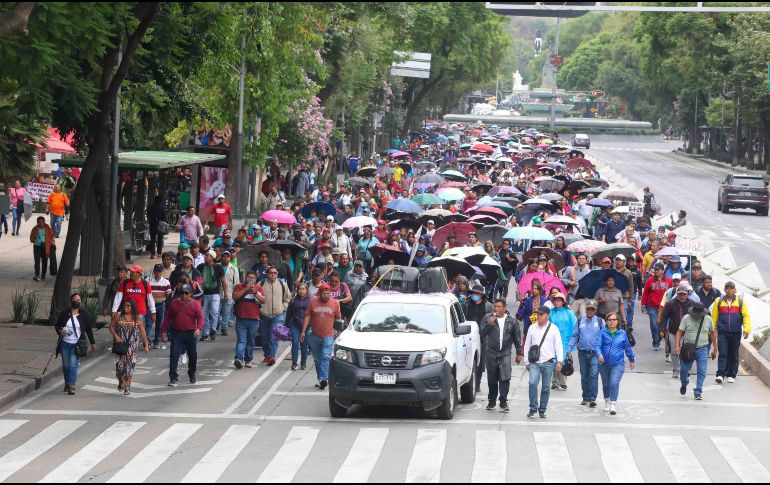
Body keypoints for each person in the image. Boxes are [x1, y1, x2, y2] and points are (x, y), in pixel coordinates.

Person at [480, 298, 523, 412]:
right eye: (495, 306)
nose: (496, 309)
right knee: (492, 378)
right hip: (491, 352)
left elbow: (517, 337)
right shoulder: (487, 318)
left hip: (505, 353)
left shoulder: (512, 320)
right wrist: (489, 324)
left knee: (505, 377)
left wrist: (519, 353)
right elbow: (481, 333)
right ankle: (491, 401)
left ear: (504, 308)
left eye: (499, 307)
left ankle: (503, 401)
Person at [524, 306, 563, 418]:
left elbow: (558, 346)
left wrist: (559, 361)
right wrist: (527, 361)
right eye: (538, 314)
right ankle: (533, 407)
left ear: (547, 315)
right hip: (535, 362)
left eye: (542, 314)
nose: (539, 316)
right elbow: (527, 345)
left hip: (548, 362)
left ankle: (542, 409)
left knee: (546, 387)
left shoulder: (554, 328)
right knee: (532, 383)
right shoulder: (532, 327)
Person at [161, 284, 203, 386]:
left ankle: (192, 373)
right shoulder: (174, 303)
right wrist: (163, 331)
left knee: (193, 356)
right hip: (177, 333)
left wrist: (198, 329)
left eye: (186, 293)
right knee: (174, 355)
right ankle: (173, 378)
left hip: (191, 333)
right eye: (181, 293)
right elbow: (167, 318)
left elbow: (200, 318)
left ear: (190, 294)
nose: (183, 295)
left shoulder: (195, 304)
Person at [301, 283, 342, 390]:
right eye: (324, 293)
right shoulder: (313, 302)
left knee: (325, 357)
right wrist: (303, 331)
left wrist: (339, 333)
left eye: (328, 293)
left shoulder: (335, 303)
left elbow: (338, 318)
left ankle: (324, 378)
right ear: (320, 293)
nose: (326, 296)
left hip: (328, 335)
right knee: (317, 359)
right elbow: (307, 316)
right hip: (314, 335)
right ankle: (321, 379)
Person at [55, 293, 97, 395]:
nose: (77, 302)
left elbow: (88, 330)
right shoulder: (65, 314)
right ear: (71, 301)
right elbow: (57, 326)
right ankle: (67, 382)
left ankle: (71, 385)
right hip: (65, 343)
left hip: (76, 344)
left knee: (73, 365)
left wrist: (92, 343)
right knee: (66, 366)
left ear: (81, 302)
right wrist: (60, 331)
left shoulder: (84, 315)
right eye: (75, 300)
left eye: (78, 300)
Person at [595, 312, 635, 415]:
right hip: (603, 363)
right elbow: (597, 345)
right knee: (606, 383)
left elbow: (627, 347)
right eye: (610, 320)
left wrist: (631, 360)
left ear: (618, 321)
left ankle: (613, 404)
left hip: (618, 364)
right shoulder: (602, 332)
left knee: (614, 382)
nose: (612, 321)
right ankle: (607, 401)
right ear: (606, 322)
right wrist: (599, 354)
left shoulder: (622, 333)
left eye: (614, 320)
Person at [711, 281, 751, 384]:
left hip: (736, 332)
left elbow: (746, 316)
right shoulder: (718, 301)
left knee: (733, 353)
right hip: (722, 332)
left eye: (731, 288)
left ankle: (731, 374)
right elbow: (714, 316)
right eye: (727, 288)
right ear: (724, 290)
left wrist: (746, 330)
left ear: (734, 289)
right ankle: (720, 374)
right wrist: (712, 329)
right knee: (723, 353)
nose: (729, 290)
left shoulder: (741, 302)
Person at [676, 302, 717, 400]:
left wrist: (715, 348)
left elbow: (712, 334)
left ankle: (698, 391)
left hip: (703, 348)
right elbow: (679, 332)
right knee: (683, 370)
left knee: (702, 371)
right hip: (688, 348)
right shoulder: (686, 318)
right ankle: (684, 383)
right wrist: (677, 346)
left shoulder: (708, 319)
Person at [109, 299, 150, 395]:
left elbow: (143, 332)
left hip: (132, 347)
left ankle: (127, 386)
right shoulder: (119, 316)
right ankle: (121, 381)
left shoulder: (137, 318)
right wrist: (116, 336)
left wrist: (146, 345)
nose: (125, 307)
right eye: (124, 305)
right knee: (119, 368)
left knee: (129, 368)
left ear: (132, 307)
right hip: (120, 345)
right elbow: (111, 326)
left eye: (128, 306)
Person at [568, 300, 604, 407]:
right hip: (582, 353)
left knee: (593, 374)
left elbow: (604, 337)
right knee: (584, 375)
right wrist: (569, 348)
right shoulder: (580, 321)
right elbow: (575, 336)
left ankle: (592, 398)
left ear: (595, 310)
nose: (590, 311)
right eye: (588, 309)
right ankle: (585, 397)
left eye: (592, 309)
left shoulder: (600, 321)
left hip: (595, 353)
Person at [231, 271, 265, 369]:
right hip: (241, 318)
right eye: (249, 277)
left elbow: (263, 300)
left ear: (256, 279)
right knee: (241, 340)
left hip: (254, 319)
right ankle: (238, 358)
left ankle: (248, 359)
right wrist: (246, 289)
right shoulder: (238, 286)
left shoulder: (259, 288)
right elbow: (235, 296)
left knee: (251, 340)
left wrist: (255, 292)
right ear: (245, 278)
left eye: (253, 278)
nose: (251, 279)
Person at [259, 266, 291, 366]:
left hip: (278, 315)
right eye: (270, 273)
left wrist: (284, 307)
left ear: (277, 274)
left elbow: (288, 298)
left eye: (275, 273)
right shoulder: (261, 284)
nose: (273, 275)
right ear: (266, 274)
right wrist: (259, 309)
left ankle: (272, 356)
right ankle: (267, 354)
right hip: (264, 315)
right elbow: (256, 297)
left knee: (274, 336)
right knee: (264, 337)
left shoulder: (282, 284)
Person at [464, 285, 493, 392]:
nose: (475, 295)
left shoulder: (488, 306)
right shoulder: (466, 304)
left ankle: (477, 383)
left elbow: (490, 321)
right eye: (473, 293)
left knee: (480, 362)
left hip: (482, 337)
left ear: (482, 294)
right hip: (468, 336)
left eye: (477, 293)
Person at [660, 284, 693, 378]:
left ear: (687, 294)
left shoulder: (691, 304)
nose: (682, 296)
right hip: (673, 332)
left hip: (687, 333)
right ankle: (675, 370)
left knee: (686, 352)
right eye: (680, 294)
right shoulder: (670, 304)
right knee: (675, 352)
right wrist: (662, 329)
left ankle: (685, 369)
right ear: (677, 294)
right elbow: (664, 317)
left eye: (684, 294)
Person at [641, 262, 673, 351]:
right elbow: (646, 293)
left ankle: (659, 338)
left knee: (662, 325)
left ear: (663, 271)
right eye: (655, 269)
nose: (656, 271)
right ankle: (655, 342)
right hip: (652, 306)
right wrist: (643, 304)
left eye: (658, 269)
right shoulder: (650, 280)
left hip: (664, 307)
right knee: (654, 324)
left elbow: (671, 293)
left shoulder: (669, 281)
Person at [548, 292, 576, 391]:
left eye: (559, 300)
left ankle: (563, 381)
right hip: (553, 340)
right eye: (555, 300)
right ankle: (555, 381)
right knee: (554, 359)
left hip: (565, 340)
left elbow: (574, 326)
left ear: (563, 301)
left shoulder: (569, 312)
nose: (556, 302)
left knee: (563, 359)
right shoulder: (550, 312)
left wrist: (573, 340)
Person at [198, 250, 227, 341]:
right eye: (205, 255)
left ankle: (213, 330)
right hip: (204, 294)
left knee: (215, 312)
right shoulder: (201, 266)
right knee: (204, 314)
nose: (205, 257)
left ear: (212, 257)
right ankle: (205, 333)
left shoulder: (218, 267)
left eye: (207, 255)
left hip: (215, 293)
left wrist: (225, 293)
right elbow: (198, 279)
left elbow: (223, 281)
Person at [286, 282, 311, 371]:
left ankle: (303, 363)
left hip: (307, 326)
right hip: (295, 324)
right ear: (297, 290)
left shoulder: (310, 300)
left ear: (307, 290)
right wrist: (286, 323)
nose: (301, 291)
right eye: (300, 289)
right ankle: (294, 363)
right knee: (295, 343)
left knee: (304, 345)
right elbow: (289, 312)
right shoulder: (293, 300)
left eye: (303, 289)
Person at [147, 264, 172, 349]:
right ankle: (148, 341)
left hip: (161, 305)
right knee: (149, 324)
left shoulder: (166, 282)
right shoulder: (148, 281)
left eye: (159, 271)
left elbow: (168, 295)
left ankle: (157, 341)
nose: (158, 273)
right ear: (154, 272)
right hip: (150, 306)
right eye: (156, 271)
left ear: (162, 272)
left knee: (159, 325)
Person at [218, 251, 240, 336]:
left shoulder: (234, 268)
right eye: (224, 256)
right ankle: (216, 326)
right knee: (217, 311)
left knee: (226, 312)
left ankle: (224, 328)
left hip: (230, 293)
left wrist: (235, 295)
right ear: (221, 257)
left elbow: (237, 283)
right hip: (218, 292)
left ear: (230, 258)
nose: (225, 258)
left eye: (227, 257)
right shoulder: (217, 266)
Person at [29, 216, 54, 281]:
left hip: (45, 246)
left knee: (44, 261)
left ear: (44, 222)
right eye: (39, 222)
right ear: (37, 222)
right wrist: (35, 235)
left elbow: (51, 236)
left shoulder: (47, 228)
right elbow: (31, 240)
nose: (41, 223)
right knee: (37, 262)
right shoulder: (35, 229)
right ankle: (37, 275)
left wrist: (52, 244)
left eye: (42, 222)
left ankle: (43, 275)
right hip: (37, 246)